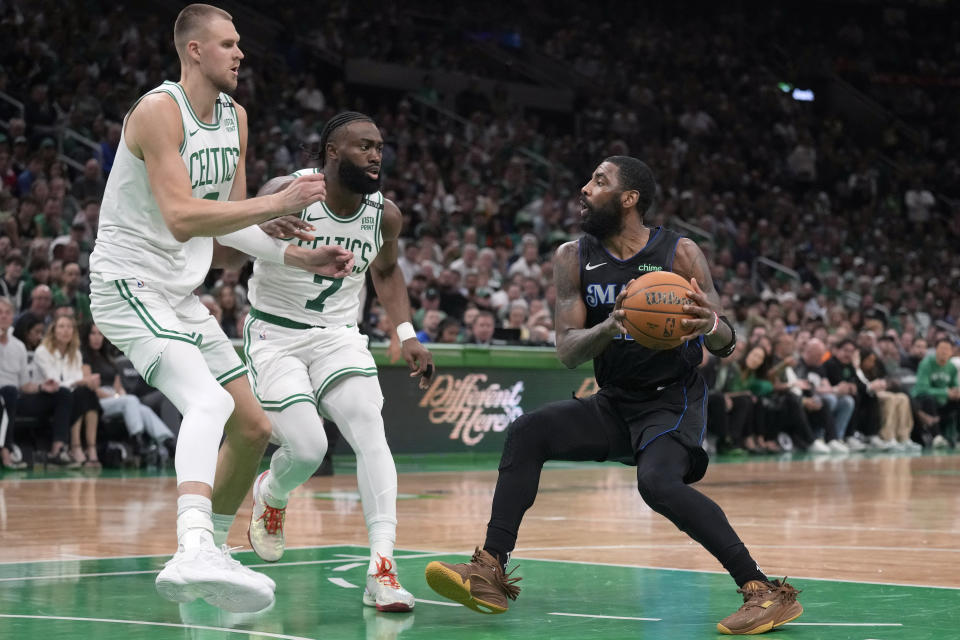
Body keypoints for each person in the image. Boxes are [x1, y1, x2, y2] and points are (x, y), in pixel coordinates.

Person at [424, 156, 802, 635]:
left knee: (658, 484)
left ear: (630, 199)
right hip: (615, 401)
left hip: (672, 401)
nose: (585, 188)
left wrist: (710, 324)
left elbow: (725, 344)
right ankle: (489, 569)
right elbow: (567, 351)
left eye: (599, 181)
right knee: (528, 432)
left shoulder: (679, 253)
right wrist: (611, 325)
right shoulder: (572, 257)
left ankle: (761, 589)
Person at [86, 4, 353, 613]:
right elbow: (183, 218)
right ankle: (191, 546)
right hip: (127, 284)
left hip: (179, 294)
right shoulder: (158, 112)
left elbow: (228, 239)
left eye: (241, 44)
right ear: (194, 51)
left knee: (255, 427)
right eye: (228, 44)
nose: (240, 54)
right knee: (206, 401)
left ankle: (214, 552)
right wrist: (275, 202)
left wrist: (297, 258)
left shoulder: (235, 117)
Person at [243, 111, 435, 613]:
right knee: (306, 450)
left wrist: (406, 333)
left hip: (338, 336)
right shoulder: (289, 189)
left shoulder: (384, 214)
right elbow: (237, 233)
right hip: (274, 331)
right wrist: (264, 219)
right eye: (363, 146)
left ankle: (383, 569)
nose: (376, 155)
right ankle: (273, 491)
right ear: (332, 152)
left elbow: (388, 272)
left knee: (371, 430)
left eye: (379, 147)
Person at [81, 323, 176, 452]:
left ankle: (168, 441)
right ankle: (137, 440)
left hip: (115, 398)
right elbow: (89, 387)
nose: (97, 337)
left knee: (143, 409)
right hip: (95, 399)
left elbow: (117, 386)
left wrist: (119, 393)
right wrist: (115, 396)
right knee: (130, 401)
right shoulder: (84, 357)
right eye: (93, 333)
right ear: (87, 336)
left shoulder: (108, 359)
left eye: (100, 334)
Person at [34, 314, 102, 467]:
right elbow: (53, 382)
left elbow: (76, 382)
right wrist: (82, 381)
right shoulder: (42, 352)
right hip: (46, 396)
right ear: (53, 330)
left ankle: (91, 448)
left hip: (68, 396)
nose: (66, 331)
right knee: (72, 394)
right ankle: (75, 447)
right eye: (61, 326)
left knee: (86, 393)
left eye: (69, 327)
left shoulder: (76, 354)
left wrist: (86, 382)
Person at [911, 337, 960, 448]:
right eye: (942, 348)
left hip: (942, 404)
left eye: (947, 349)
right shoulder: (926, 364)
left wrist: (957, 392)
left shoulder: (951, 367)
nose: (944, 351)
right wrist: (946, 393)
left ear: (951, 352)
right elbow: (922, 389)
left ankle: (958, 438)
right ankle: (936, 437)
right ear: (935, 350)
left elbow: (955, 386)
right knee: (928, 399)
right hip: (921, 403)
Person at [0, 297, 28, 469]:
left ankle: (59, 450)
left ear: (13, 317)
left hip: (13, 394)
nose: (3, 316)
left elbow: (24, 384)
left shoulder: (19, 346)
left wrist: (42, 386)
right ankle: (6, 451)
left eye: (7, 312)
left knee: (10, 393)